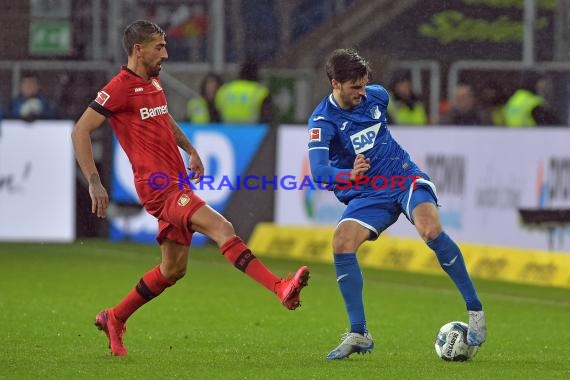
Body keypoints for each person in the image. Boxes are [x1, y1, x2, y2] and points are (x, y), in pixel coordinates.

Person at [71, 20, 309, 357]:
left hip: (175, 180)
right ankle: (279, 287)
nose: (166, 54)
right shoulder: (119, 88)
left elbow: (164, 118)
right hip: (158, 188)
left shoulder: (152, 81)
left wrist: (190, 149)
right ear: (138, 50)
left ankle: (115, 316)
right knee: (222, 227)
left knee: (173, 269)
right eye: (159, 47)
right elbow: (80, 131)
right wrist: (94, 181)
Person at [307, 49, 486, 360]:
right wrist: (348, 174)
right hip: (367, 193)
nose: (362, 93)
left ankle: (475, 312)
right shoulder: (322, 122)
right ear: (335, 83)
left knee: (430, 231)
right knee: (341, 242)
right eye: (354, 87)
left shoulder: (378, 96)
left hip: (403, 177)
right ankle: (359, 332)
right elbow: (320, 172)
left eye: (364, 84)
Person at [214, 57, 273, 124]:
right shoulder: (261, 92)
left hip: (226, 131)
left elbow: (215, 114)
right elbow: (267, 118)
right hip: (252, 131)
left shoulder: (225, 89)